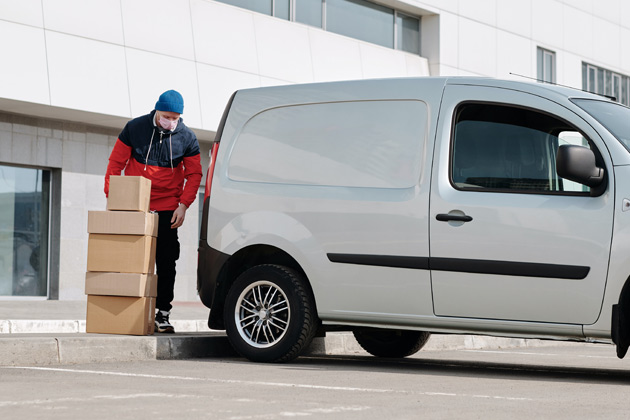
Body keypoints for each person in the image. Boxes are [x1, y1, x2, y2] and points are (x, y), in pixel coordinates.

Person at [104, 90, 202, 333]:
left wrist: (184, 205)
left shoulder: (187, 138)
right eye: (167, 117)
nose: (171, 122)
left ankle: (163, 314)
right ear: (157, 112)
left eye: (175, 118)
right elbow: (116, 164)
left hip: (169, 206)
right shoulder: (134, 128)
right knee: (130, 259)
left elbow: (194, 174)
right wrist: (114, 197)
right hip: (136, 203)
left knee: (167, 262)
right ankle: (126, 309)